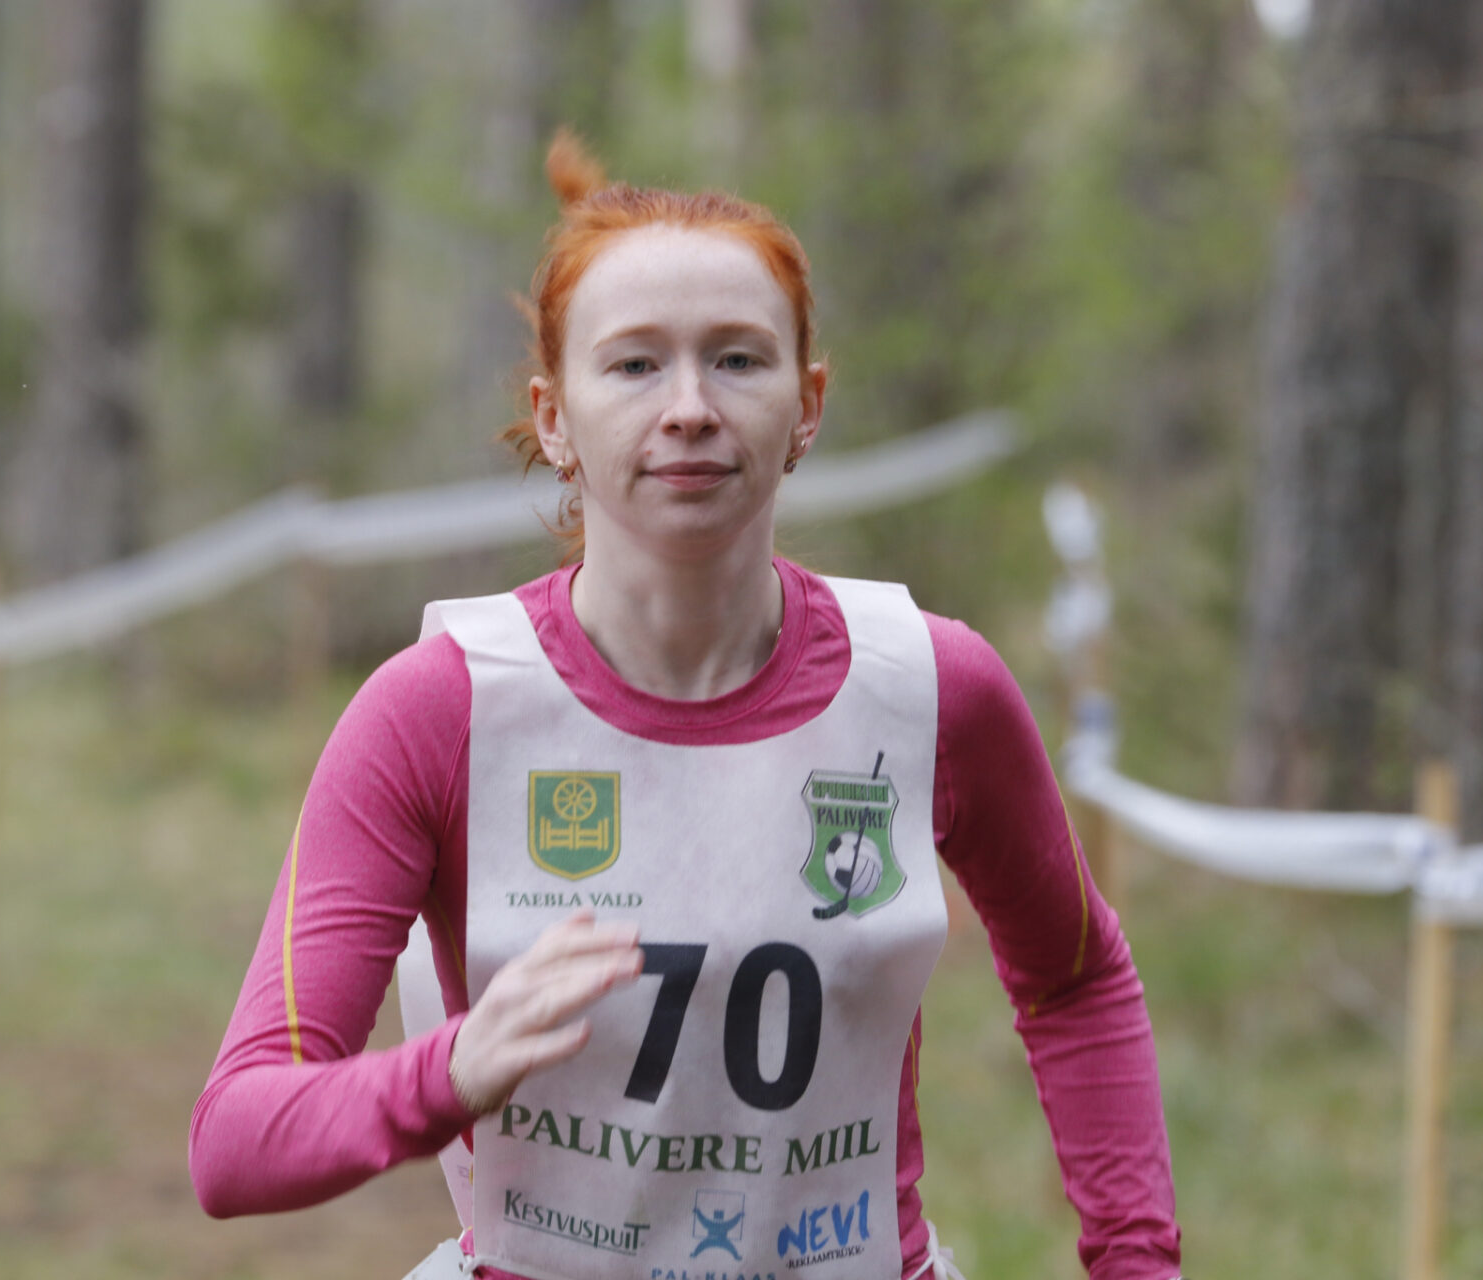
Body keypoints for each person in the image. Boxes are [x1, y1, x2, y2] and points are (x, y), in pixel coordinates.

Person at [189, 132, 1183, 1280]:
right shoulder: (437, 709)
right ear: (553, 416)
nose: (692, 408)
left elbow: (1077, 977)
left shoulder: (931, 686)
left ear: (808, 405)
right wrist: (449, 1071)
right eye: (633, 365)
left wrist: (1137, 1261)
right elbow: (236, 1137)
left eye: (739, 359)